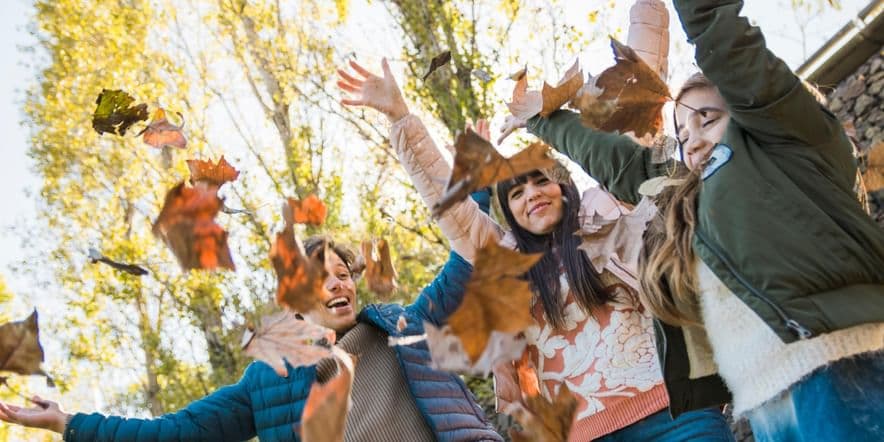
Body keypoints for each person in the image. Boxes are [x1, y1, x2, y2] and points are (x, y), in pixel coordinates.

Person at [336, 5, 734, 442]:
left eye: (539, 182)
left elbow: (639, 104)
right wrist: (401, 118)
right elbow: (447, 202)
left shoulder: (611, 211)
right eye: (516, 194)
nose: (531, 196)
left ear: (562, 186)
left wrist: (650, 9)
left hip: (676, 412)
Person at [499, 1, 884, 441]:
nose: (693, 140)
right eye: (682, 134)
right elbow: (623, 164)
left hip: (839, 361)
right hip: (765, 400)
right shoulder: (692, 197)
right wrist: (541, 120)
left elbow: (729, 45)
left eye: (708, 119)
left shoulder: (786, 146)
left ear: (747, 113)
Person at [0, 221, 504, 441]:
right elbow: (175, 433)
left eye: (344, 273)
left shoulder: (403, 327)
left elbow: (467, 256)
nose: (338, 282)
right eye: (319, 276)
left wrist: (472, 175)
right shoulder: (268, 381)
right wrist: (68, 423)